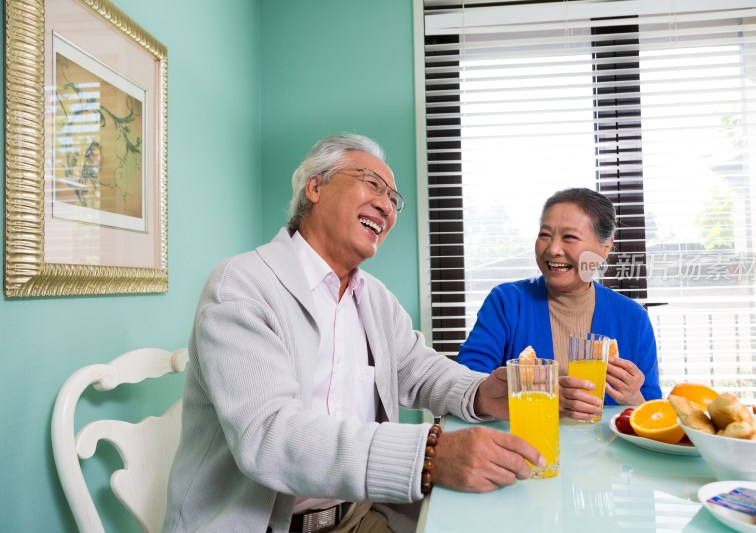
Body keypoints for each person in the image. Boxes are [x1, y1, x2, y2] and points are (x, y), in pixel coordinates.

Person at [163, 134, 543, 533]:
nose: (386, 206)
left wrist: (482, 391)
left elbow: (421, 370)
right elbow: (271, 437)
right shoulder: (241, 286)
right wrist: (428, 455)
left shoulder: (373, 297)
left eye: (394, 199)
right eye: (373, 184)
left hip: (359, 517)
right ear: (315, 186)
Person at [457, 188, 661, 421]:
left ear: (604, 248)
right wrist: (542, 396)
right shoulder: (507, 301)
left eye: (569, 237)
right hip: (524, 448)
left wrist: (633, 398)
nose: (553, 249)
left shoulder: (633, 317)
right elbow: (467, 382)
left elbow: (653, 414)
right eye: (545, 234)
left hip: (607, 454)